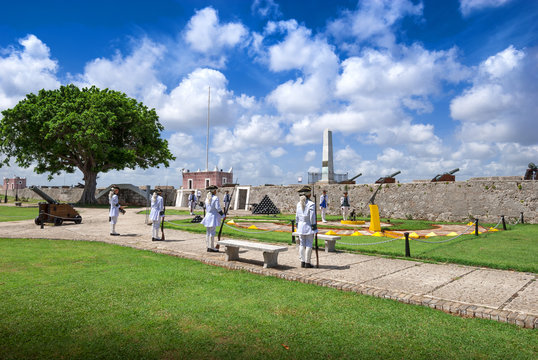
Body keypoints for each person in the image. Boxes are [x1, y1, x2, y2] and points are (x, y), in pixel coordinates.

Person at [295, 185, 317, 268]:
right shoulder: (311, 204)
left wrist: (297, 225)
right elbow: (312, 217)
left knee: (302, 244)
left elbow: (296, 216)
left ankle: (302, 261)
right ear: (309, 194)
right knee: (309, 244)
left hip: (300, 226)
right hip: (308, 226)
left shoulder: (298, 204)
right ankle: (307, 262)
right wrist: (314, 226)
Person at [200, 185, 224, 252]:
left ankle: (208, 247)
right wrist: (223, 215)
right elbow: (218, 208)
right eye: (215, 190)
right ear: (214, 191)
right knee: (212, 232)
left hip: (208, 216)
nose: (216, 191)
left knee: (208, 232)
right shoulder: (215, 198)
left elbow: (205, 207)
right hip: (213, 217)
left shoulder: (207, 198)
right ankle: (212, 247)